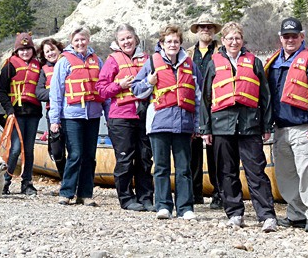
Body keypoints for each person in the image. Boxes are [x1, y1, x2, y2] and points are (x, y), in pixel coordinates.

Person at [199, 22, 278, 232]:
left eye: (237, 38)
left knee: (256, 171)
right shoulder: (213, 63)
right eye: (229, 38)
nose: (234, 42)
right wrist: (205, 128)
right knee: (226, 172)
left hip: (249, 125)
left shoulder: (254, 62)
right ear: (223, 41)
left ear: (242, 40)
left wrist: (266, 124)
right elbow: (206, 98)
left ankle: (267, 215)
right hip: (221, 126)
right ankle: (234, 213)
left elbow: (265, 96)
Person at [265, 17, 308, 232]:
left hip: (306, 128)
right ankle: (296, 214)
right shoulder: (274, 63)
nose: (290, 39)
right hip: (281, 128)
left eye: (294, 36)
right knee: (287, 175)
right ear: (280, 38)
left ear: (302, 37)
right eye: (286, 36)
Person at [132, 24, 202, 220]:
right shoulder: (152, 63)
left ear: (181, 44)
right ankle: (163, 205)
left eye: (176, 42)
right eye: (169, 41)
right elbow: (136, 90)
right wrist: (149, 82)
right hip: (158, 123)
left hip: (183, 124)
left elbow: (197, 97)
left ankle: (185, 207)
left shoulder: (190, 64)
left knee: (184, 168)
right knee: (161, 167)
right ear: (162, 44)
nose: (172, 44)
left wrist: (197, 125)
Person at [96, 24, 154, 212]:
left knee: (145, 158)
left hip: (143, 115)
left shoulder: (147, 59)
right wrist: (118, 85)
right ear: (117, 42)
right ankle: (126, 198)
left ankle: (146, 197)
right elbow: (101, 90)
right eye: (123, 39)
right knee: (125, 159)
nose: (127, 42)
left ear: (135, 38)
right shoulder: (113, 60)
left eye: (129, 37)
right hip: (120, 117)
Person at [49, 27, 108, 206]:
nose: (80, 43)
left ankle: (85, 194)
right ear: (71, 41)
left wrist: (109, 113)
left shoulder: (97, 60)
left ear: (88, 40)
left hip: (93, 115)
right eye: (77, 40)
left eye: (83, 39)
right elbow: (56, 92)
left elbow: (104, 88)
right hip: (71, 115)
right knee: (75, 154)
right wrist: (54, 119)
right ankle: (66, 192)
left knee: (89, 155)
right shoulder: (64, 61)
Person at [0, 32, 42, 196]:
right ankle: (5, 182)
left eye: (28, 49)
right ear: (16, 51)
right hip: (15, 113)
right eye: (22, 50)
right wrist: (9, 110)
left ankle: (27, 183)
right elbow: (0, 90)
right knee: (15, 149)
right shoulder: (10, 65)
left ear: (32, 50)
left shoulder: (39, 66)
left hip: (33, 113)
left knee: (29, 149)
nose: (25, 52)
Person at [186, 14, 223, 209]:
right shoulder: (188, 53)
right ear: (197, 30)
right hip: (193, 107)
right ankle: (195, 193)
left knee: (215, 153)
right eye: (202, 27)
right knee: (193, 154)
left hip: (215, 107)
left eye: (209, 27)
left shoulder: (221, 51)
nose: (205, 29)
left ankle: (219, 194)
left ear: (214, 30)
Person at [35, 38, 66, 179]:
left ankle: (74, 181)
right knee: (57, 150)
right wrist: (56, 93)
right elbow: (39, 92)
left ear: (59, 49)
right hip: (53, 113)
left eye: (52, 49)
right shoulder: (44, 70)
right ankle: (64, 177)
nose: (50, 53)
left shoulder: (68, 63)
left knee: (74, 149)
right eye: (47, 51)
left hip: (71, 112)